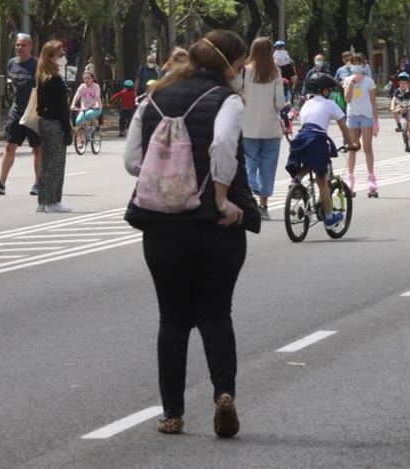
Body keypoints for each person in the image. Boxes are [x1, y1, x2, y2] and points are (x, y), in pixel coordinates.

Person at [123, 30, 261, 438]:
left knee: (172, 318)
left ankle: (172, 414)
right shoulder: (228, 99)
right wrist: (220, 198)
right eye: (240, 65)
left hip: (161, 225)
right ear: (230, 64)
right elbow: (221, 145)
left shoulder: (154, 96)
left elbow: (133, 161)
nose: (242, 72)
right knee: (216, 313)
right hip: (215, 226)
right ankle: (224, 394)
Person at [286, 73, 357, 226]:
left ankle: (297, 178)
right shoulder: (330, 104)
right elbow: (343, 126)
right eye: (328, 89)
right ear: (323, 90)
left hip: (300, 140)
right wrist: (350, 143)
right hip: (316, 140)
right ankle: (330, 218)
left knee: (310, 162)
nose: (329, 92)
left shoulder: (306, 103)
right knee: (322, 180)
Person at [241, 37, 286, 221]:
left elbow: (236, 94)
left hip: (248, 126)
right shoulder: (275, 72)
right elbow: (280, 103)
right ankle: (263, 205)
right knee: (268, 166)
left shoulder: (244, 71)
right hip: (270, 128)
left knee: (250, 159)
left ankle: (252, 183)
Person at [0, 33, 42, 196]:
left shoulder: (37, 65)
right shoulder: (12, 64)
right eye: (17, 45)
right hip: (17, 110)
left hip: (34, 111)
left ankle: (38, 183)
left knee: (37, 149)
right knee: (10, 146)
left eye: (23, 45)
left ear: (30, 47)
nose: (19, 48)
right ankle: (1, 183)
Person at [34, 40, 73, 213]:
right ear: (50, 57)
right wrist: (67, 129)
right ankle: (52, 201)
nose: (63, 56)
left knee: (47, 163)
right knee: (56, 163)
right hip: (54, 123)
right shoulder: (54, 80)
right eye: (60, 54)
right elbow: (62, 108)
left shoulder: (43, 76)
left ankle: (43, 201)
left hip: (44, 122)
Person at [343, 53, 379, 194]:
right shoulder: (347, 79)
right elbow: (347, 99)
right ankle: (350, 178)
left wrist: (375, 121)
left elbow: (373, 102)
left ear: (364, 65)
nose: (356, 65)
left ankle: (371, 178)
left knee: (367, 148)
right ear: (350, 65)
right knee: (352, 148)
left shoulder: (369, 82)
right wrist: (352, 83)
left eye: (359, 62)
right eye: (354, 62)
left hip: (366, 116)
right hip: (352, 116)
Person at [391, 72, 410, 143]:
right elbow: (394, 99)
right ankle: (399, 125)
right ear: (399, 83)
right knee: (394, 111)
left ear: (408, 84)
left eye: (405, 83)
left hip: (409, 108)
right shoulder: (397, 91)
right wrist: (392, 107)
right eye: (401, 83)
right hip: (401, 108)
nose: (403, 85)